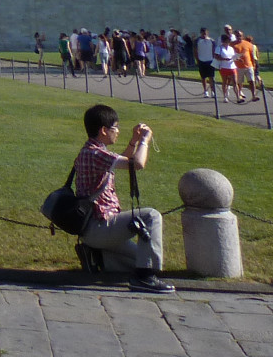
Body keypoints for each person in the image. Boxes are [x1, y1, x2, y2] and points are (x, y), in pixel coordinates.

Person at [70, 103, 174, 294]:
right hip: (100, 226)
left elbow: (122, 160)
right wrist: (145, 140)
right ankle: (145, 279)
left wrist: (134, 141)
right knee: (151, 216)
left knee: (140, 258)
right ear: (103, 130)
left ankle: (99, 257)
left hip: (93, 229)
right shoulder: (95, 153)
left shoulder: (93, 150)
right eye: (115, 127)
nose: (118, 131)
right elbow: (137, 164)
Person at [213, 26, 239, 102]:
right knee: (225, 82)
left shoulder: (231, 48)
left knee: (235, 82)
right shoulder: (219, 48)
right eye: (227, 41)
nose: (228, 42)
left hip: (232, 66)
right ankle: (225, 96)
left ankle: (238, 97)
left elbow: (233, 56)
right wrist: (224, 59)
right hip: (224, 67)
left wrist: (238, 58)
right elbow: (216, 56)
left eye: (229, 41)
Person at [234, 31, 261, 102]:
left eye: (240, 36)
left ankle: (254, 95)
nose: (238, 37)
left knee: (252, 81)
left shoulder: (248, 44)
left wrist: (253, 64)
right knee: (239, 82)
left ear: (242, 36)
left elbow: (252, 55)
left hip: (248, 66)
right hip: (238, 67)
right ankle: (239, 95)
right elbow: (231, 55)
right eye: (237, 36)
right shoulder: (232, 44)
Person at [194, 28, 217, 98]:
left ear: (207, 33)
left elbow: (214, 50)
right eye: (203, 33)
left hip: (210, 60)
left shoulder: (211, 40)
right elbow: (195, 50)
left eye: (205, 33)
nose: (204, 34)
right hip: (201, 60)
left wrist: (214, 59)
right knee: (203, 77)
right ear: (201, 33)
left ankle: (213, 91)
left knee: (211, 77)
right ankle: (205, 91)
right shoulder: (197, 41)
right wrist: (197, 60)